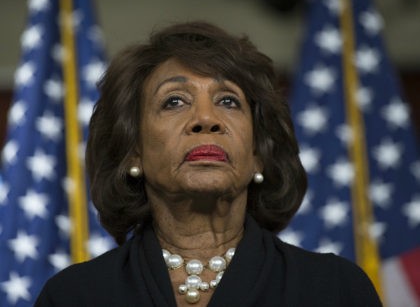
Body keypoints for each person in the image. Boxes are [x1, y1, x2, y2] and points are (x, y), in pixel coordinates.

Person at [35, 21, 382, 306]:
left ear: (258, 154)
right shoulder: (74, 296)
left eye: (228, 101)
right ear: (133, 151)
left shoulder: (335, 290)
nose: (205, 119)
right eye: (174, 101)